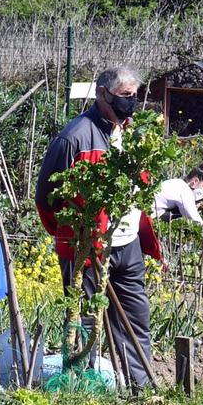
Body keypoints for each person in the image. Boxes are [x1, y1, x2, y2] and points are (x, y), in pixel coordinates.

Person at [37, 66, 160, 387]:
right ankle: (81, 388)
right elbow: (46, 197)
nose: (132, 102)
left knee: (135, 320)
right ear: (102, 94)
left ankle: (140, 388)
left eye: (135, 96)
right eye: (125, 96)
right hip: (87, 247)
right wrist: (74, 236)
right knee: (86, 322)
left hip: (128, 244)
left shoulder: (133, 134)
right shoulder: (74, 137)